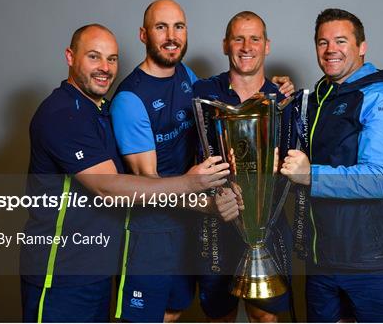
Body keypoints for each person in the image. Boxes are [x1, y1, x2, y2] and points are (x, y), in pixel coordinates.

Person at [21, 23, 233, 323]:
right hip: (60, 274)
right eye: (94, 57)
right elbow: (109, 188)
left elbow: (140, 188)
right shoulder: (61, 114)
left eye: (112, 59)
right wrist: (191, 183)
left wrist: (274, 91)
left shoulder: (102, 110)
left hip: (98, 269)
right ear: (70, 56)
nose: (105, 68)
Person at [110, 0, 293, 322]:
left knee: (182, 308)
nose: (171, 36)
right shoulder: (132, 99)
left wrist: (275, 87)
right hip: (158, 229)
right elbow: (146, 182)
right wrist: (207, 203)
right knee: (170, 314)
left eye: (178, 26)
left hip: (228, 227)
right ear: (143, 34)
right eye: (160, 27)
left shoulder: (189, 78)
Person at [281, 8, 383, 322]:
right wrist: (279, 93)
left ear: (362, 46)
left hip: (372, 265)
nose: (331, 50)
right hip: (323, 261)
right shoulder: (322, 97)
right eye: (322, 42)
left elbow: (380, 178)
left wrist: (308, 175)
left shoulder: (382, 99)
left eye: (341, 41)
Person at [192, 11, 293, 323]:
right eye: (238, 38)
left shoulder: (283, 99)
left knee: (265, 316)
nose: (246, 46)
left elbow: (297, 164)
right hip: (217, 223)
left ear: (267, 46)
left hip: (268, 226)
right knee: (219, 317)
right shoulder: (201, 92)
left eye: (255, 39)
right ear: (225, 44)